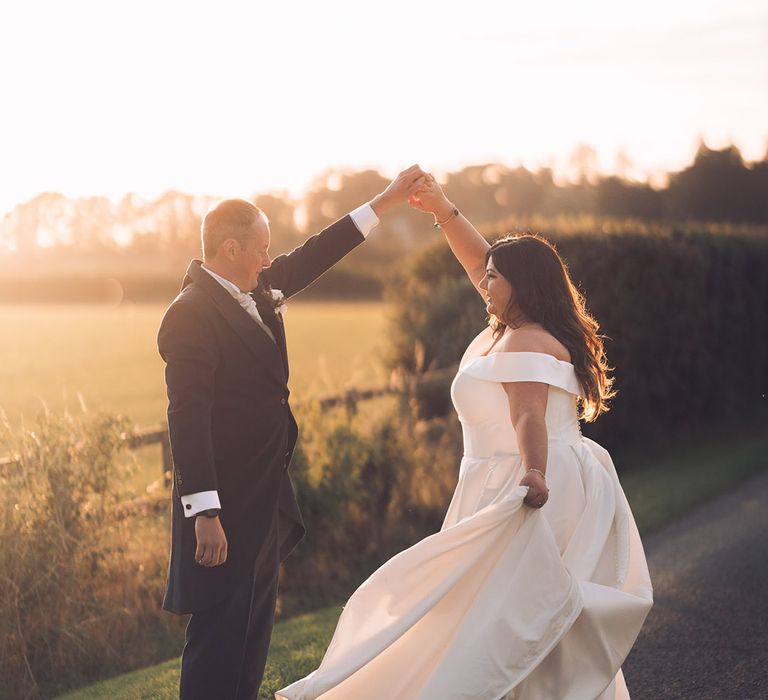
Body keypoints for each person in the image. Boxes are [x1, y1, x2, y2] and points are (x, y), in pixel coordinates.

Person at [276, 174, 653, 699]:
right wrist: (442, 209)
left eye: (495, 280)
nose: (484, 284)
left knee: (503, 615)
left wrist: (534, 475)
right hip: (524, 473)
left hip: (524, 478)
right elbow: (482, 262)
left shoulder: (523, 338)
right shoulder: (522, 321)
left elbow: (528, 416)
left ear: (522, 286)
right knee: (509, 611)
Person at [157, 165, 427, 700]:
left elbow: (316, 253)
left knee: (252, 636)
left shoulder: (255, 288)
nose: (268, 258)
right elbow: (187, 418)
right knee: (216, 637)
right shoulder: (189, 314)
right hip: (224, 505)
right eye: (261, 248)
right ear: (231, 249)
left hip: (267, 496)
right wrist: (205, 513)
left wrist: (386, 201)